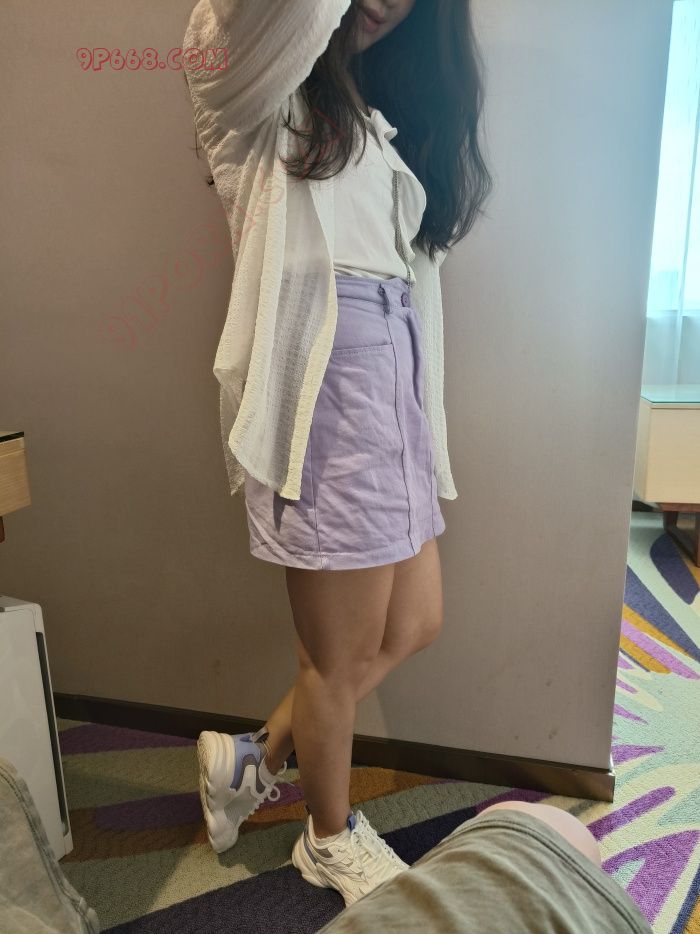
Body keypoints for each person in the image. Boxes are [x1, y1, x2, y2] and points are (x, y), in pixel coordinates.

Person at [181, 3, 651, 928]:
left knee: (415, 621)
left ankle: (256, 757)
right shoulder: (252, 85)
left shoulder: (373, 116)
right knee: (335, 658)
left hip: (390, 394)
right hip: (326, 401)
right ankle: (327, 835)